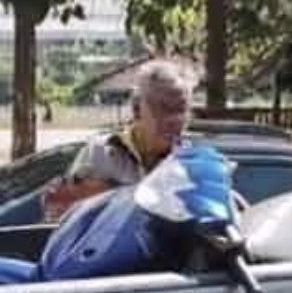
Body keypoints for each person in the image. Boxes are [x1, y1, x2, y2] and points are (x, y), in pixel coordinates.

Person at [44, 60, 194, 219]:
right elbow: (58, 214)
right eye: (164, 108)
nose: (174, 119)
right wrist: (107, 195)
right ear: (137, 110)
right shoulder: (99, 153)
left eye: (182, 109)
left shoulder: (191, 163)